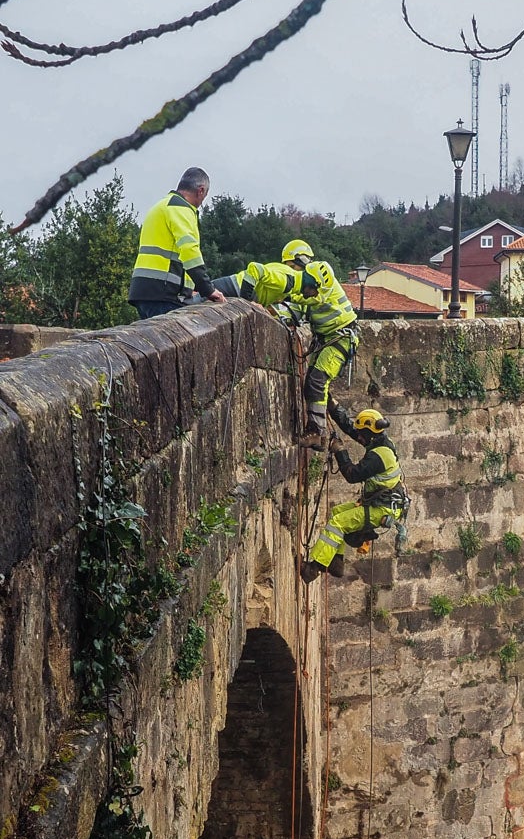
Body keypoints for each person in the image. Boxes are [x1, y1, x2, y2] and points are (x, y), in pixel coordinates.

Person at [209, 258, 357, 446]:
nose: (315, 294)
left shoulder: (323, 287)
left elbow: (301, 301)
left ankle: (317, 433)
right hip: (327, 339)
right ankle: (319, 434)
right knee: (313, 385)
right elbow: (294, 310)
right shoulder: (306, 285)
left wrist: (252, 302)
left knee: (317, 382)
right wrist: (273, 312)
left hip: (340, 338)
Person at [299, 405, 407, 580]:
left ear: (370, 432)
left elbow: (352, 475)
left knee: (338, 523)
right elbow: (352, 429)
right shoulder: (379, 441)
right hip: (381, 504)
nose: (360, 438)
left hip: (382, 509)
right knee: (337, 512)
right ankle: (336, 562)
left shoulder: (380, 456)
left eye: (362, 434)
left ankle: (314, 567)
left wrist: (340, 451)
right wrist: (333, 407)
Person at [128, 167, 226, 318]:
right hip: (163, 293)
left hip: (145, 291)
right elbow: (189, 251)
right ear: (200, 190)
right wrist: (208, 290)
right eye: (204, 196)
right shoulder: (181, 208)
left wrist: (189, 290)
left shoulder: (162, 205)